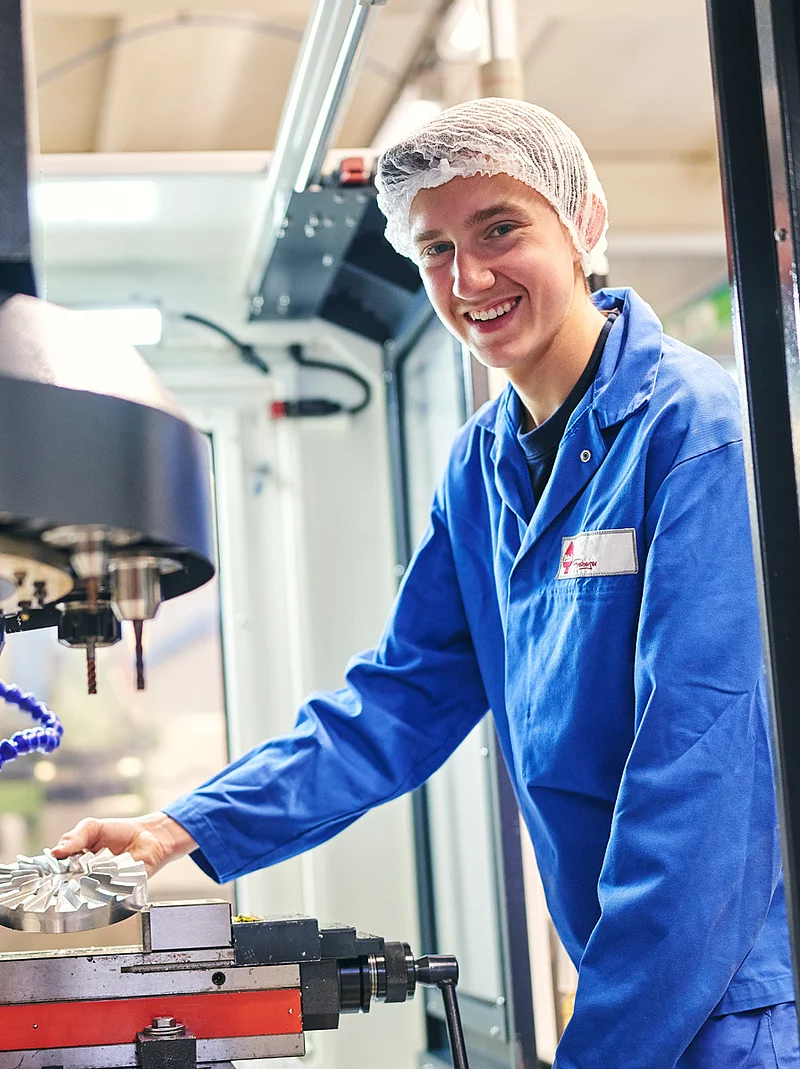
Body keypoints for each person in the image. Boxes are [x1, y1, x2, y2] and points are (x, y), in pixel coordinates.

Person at [53, 99, 796, 1068]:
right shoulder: (479, 465)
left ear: (584, 224)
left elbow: (694, 786)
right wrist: (182, 826)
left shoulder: (694, 435)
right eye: (434, 248)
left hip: (729, 997)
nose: (469, 278)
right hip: (636, 975)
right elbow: (397, 701)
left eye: (499, 228)